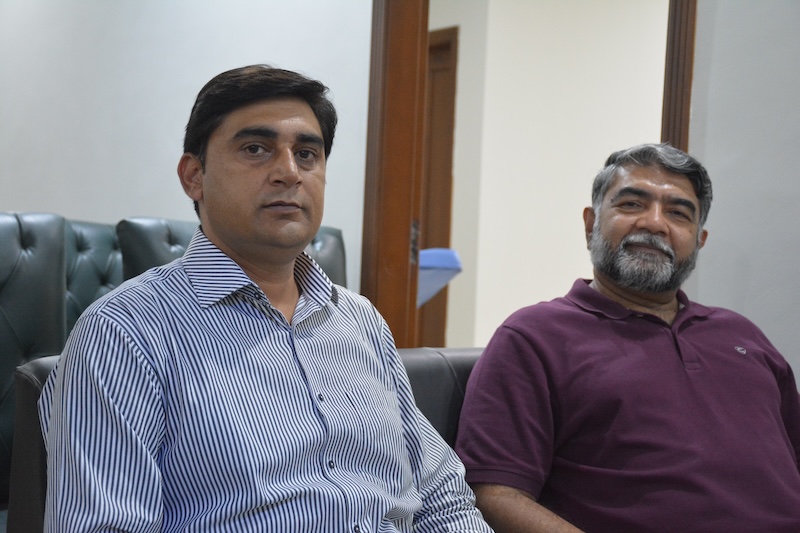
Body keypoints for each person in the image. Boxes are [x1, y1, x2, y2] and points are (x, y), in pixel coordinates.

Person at [39, 65, 491, 532]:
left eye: (307, 154)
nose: (289, 173)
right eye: (256, 149)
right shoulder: (124, 332)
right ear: (194, 176)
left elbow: (443, 498)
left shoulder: (360, 321)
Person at [455, 143, 800, 532]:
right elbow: (495, 494)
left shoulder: (742, 335)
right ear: (590, 224)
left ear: (699, 240)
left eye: (678, 213)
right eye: (632, 204)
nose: (654, 223)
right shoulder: (534, 338)